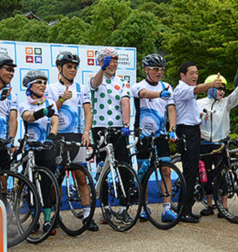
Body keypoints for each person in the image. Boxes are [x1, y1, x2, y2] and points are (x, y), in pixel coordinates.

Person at [47, 51, 97, 231]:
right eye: (69, 67)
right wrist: (61, 100)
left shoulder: (82, 88)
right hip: (58, 136)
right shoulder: (50, 88)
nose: (73, 70)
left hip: (76, 136)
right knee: (56, 179)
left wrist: (86, 132)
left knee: (82, 177)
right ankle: (55, 214)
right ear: (59, 68)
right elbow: (48, 111)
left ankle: (87, 215)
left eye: (75, 67)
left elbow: (88, 112)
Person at [89, 47, 135, 228]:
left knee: (123, 166)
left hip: (118, 129)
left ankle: (124, 208)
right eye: (109, 61)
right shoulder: (95, 78)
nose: (113, 64)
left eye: (115, 61)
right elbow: (94, 84)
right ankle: (105, 208)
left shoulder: (122, 81)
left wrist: (126, 125)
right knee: (103, 168)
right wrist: (102, 69)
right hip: (100, 128)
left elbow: (125, 102)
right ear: (101, 62)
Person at [196, 71, 238, 216]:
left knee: (223, 174)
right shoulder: (198, 103)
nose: (222, 91)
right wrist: (201, 118)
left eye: (223, 89)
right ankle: (209, 205)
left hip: (220, 143)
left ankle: (224, 206)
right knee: (206, 175)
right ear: (210, 89)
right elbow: (191, 121)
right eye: (219, 88)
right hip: (204, 143)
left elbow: (237, 94)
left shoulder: (226, 103)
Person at [174, 61, 223, 223]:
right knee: (189, 171)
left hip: (193, 131)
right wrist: (211, 85)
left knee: (193, 171)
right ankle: (183, 211)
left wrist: (202, 117)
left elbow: (190, 114)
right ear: (183, 75)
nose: (195, 76)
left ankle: (185, 208)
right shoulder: (181, 88)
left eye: (196, 72)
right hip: (186, 132)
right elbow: (196, 89)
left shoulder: (189, 93)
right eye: (191, 73)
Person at [131, 53, 177, 222]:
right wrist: (159, 95)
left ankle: (167, 208)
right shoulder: (137, 85)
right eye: (155, 69)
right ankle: (143, 206)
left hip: (161, 135)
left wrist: (172, 129)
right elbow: (143, 94)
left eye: (161, 69)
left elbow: (171, 109)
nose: (159, 72)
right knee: (143, 172)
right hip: (143, 135)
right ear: (146, 69)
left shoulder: (167, 86)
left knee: (166, 170)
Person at [18, 70, 59, 234]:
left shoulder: (50, 102)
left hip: (46, 148)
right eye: (39, 82)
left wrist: (51, 137)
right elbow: (28, 117)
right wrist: (42, 112)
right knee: (32, 187)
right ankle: (34, 220)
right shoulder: (24, 104)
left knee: (46, 185)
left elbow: (55, 122)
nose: (43, 85)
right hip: (30, 150)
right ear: (30, 86)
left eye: (44, 82)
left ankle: (48, 220)